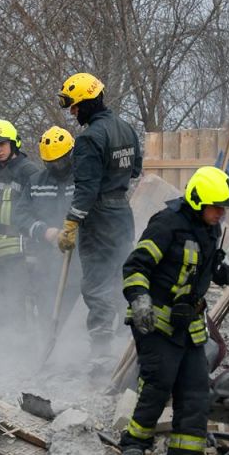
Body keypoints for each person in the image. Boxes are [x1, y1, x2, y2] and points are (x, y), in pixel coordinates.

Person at [116, 166, 229, 455]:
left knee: (196, 391)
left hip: (189, 326)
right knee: (159, 382)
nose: (221, 214)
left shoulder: (210, 230)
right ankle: (134, 444)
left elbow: (210, 267)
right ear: (198, 200)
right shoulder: (167, 224)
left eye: (224, 209)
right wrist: (140, 300)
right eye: (217, 207)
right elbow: (135, 266)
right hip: (155, 320)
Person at [56, 73, 143, 357]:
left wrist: (71, 222)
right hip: (122, 215)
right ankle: (126, 340)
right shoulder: (127, 129)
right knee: (120, 275)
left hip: (98, 219)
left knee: (95, 284)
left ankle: (101, 353)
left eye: (75, 105)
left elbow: (87, 188)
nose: (73, 111)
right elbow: (135, 170)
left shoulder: (89, 139)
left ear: (88, 102)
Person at [0, 118, 41, 326]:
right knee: (0, 308)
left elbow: (38, 211)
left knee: (22, 307)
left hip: (22, 252)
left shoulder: (29, 172)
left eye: (2, 144)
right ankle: (5, 352)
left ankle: (26, 352)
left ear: (13, 143)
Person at [22, 126, 82, 331]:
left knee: (77, 313)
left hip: (81, 260)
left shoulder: (84, 179)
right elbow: (21, 216)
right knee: (47, 310)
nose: (57, 166)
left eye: (61, 160)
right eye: (51, 162)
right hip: (47, 259)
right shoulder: (36, 182)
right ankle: (49, 352)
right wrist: (44, 231)